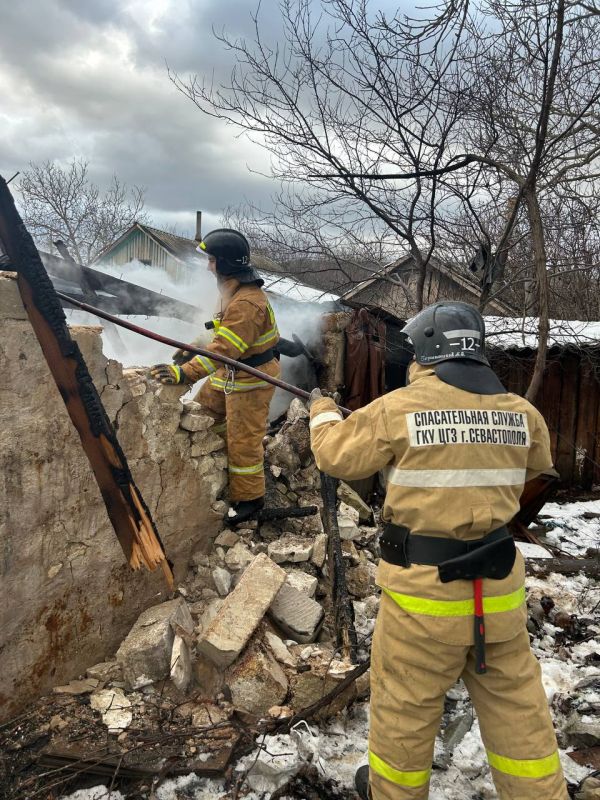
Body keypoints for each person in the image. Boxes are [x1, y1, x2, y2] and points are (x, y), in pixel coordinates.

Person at [308, 301, 567, 800]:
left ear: (425, 349)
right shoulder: (522, 413)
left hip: (422, 599)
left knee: (404, 713)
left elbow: (335, 455)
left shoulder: (399, 408)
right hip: (499, 595)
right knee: (519, 713)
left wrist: (322, 411)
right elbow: (538, 466)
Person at [150, 228, 280, 524]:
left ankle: (249, 500)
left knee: (243, 439)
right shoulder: (231, 292)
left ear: (225, 263)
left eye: (211, 260)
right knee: (206, 412)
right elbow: (217, 332)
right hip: (232, 371)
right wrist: (192, 348)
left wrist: (184, 373)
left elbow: (224, 350)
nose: (208, 266)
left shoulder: (247, 303)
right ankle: (225, 463)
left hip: (252, 377)